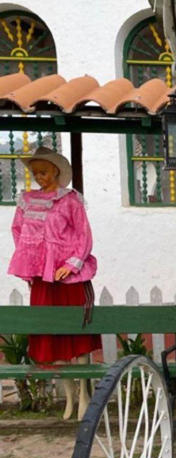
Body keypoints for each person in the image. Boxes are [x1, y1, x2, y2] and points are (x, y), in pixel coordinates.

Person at [8, 147, 100, 421]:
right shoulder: (26, 201)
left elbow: (84, 235)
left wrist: (71, 263)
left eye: (44, 172)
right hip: (42, 278)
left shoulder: (70, 200)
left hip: (68, 277)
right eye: (35, 172)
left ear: (56, 172)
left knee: (76, 334)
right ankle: (69, 396)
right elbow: (18, 230)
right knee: (51, 335)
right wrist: (30, 259)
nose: (39, 177)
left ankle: (85, 395)